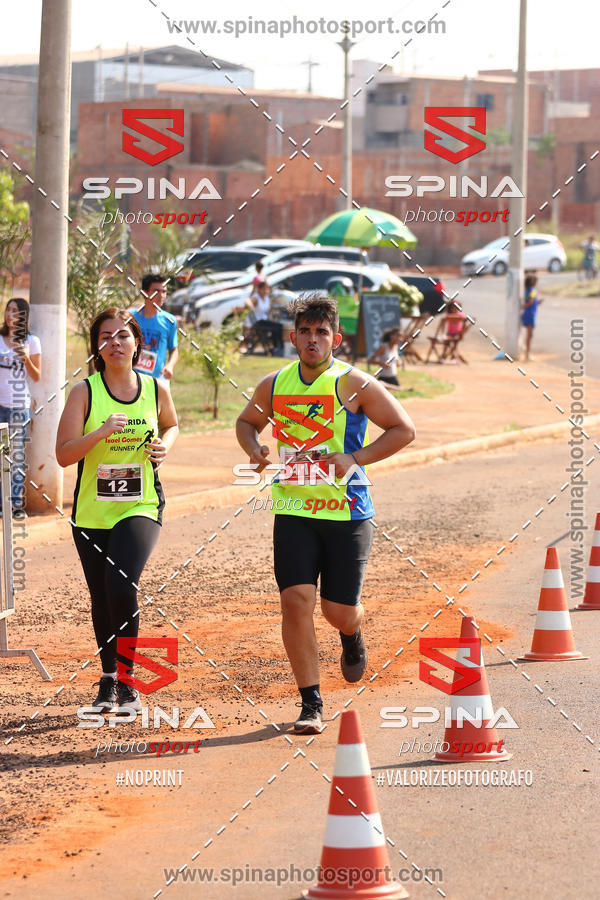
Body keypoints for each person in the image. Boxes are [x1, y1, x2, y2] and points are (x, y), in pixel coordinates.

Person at [236, 291, 416, 734]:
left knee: (337, 610)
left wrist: (356, 459)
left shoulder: (354, 383)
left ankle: (352, 633)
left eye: (322, 332)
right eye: (305, 332)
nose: (313, 339)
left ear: (335, 338)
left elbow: (403, 430)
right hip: (295, 508)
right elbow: (246, 422)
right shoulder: (273, 385)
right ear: (293, 338)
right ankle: (310, 702)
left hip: (348, 511)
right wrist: (255, 448)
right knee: (295, 602)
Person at [56, 307, 179, 712]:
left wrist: (165, 445)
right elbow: (63, 454)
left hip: (140, 503)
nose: (115, 343)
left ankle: (127, 682)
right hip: (92, 511)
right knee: (101, 596)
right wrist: (102, 431)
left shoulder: (155, 387)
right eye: (105, 337)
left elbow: (172, 424)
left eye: (122, 335)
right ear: (96, 345)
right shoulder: (84, 392)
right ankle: (108, 679)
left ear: (137, 342)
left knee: (122, 585)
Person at [0, 298, 42, 515]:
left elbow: (36, 375)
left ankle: (14, 504)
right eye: (8, 310)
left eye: (15, 311)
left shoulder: (32, 341)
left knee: (15, 456)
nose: (10, 314)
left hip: (18, 407)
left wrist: (25, 357)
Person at [132, 274, 179, 385]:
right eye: (156, 291)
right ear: (144, 293)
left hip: (158, 380)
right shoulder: (130, 317)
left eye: (164, 291)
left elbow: (174, 349)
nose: (161, 295)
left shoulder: (169, 320)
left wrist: (170, 366)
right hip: (132, 380)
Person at [244, 280, 284, 355]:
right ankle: (277, 348)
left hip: (264, 321)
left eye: (267, 288)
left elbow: (268, 311)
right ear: (260, 289)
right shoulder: (256, 297)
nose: (267, 290)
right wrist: (250, 305)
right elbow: (247, 301)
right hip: (257, 322)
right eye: (265, 288)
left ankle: (276, 347)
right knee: (277, 327)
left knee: (279, 326)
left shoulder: (266, 298)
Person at [521, 274, 543, 361]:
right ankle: (527, 353)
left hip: (528, 313)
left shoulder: (527, 291)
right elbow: (530, 302)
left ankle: (527, 352)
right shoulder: (533, 290)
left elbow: (532, 301)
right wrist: (524, 306)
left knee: (529, 334)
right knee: (529, 335)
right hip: (530, 314)